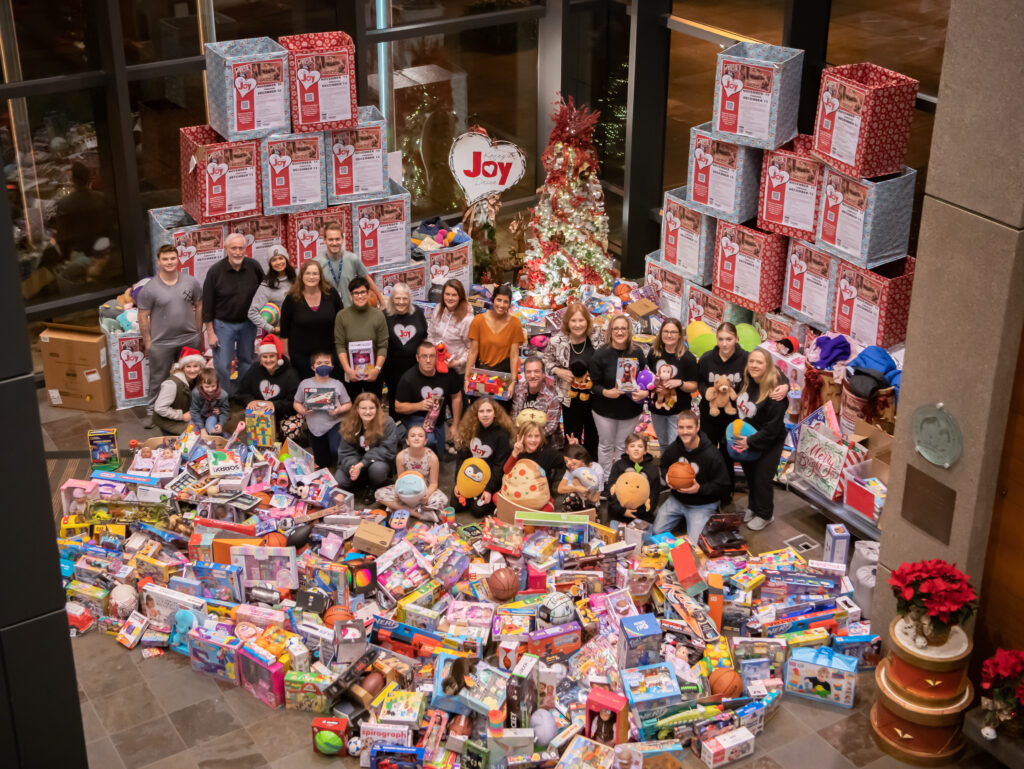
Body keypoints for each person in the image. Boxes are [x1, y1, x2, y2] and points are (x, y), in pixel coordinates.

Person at [697, 323, 788, 503]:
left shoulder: (746, 358)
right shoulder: (707, 359)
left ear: (736, 339)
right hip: (710, 415)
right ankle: (706, 490)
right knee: (706, 452)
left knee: (727, 454)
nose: (724, 344)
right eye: (721, 339)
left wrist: (785, 384)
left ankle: (726, 493)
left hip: (734, 417)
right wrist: (707, 393)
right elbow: (699, 381)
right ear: (716, 339)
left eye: (729, 339)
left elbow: (772, 369)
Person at [137, 244, 203, 427]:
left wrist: (198, 331)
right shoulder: (150, 289)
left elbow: (200, 305)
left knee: (193, 376)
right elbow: (142, 316)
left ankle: (195, 410)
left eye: (173, 258)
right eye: (165, 259)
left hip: (189, 339)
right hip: (162, 342)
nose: (169, 262)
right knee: (158, 377)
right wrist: (148, 341)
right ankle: (152, 412)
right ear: (158, 261)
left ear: (178, 259)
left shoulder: (191, 282)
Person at [732, 348, 789, 531]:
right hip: (748, 436)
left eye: (759, 362)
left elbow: (772, 429)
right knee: (750, 474)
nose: (754, 365)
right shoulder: (747, 380)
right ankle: (753, 507)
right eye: (752, 361)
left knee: (762, 477)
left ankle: (765, 514)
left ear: (767, 366)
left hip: (769, 441)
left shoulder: (775, 393)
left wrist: (750, 441)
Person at [203, 232, 265, 393]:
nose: (238, 252)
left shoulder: (254, 266)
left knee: (246, 361)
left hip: (248, 324)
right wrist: (210, 332)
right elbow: (208, 304)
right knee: (222, 364)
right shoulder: (215, 272)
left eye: (241, 248)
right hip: (223, 325)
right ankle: (224, 396)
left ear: (246, 249)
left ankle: (242, 393)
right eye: (234, 248)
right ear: (226, 249)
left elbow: (265, 290)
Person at [653, 411, 730, 538]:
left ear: (697, 427)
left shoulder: (712, 454)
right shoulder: (673, 449)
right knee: (656, 533)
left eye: (689, 427)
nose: (685, 432)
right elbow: (664, 465)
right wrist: (667, 476)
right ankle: (683, 520)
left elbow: (723, 486)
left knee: (695, 545)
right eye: (681, 427)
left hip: (702, 505)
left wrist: (699, 489)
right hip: (677, 500)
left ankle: (687, 522)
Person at [589, 314, 649, 476]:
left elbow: (644, 379)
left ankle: (621, 478)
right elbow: (592, 384)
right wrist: (606, 392)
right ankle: (606, 479)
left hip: (630, 410)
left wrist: (644, 392)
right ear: (609, 332)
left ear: (629, 331)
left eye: (623, 328)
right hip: (604, 410)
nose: (619, 332)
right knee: (606, 445)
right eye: (616, 328)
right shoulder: (600, 354)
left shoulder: (638, 352)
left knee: (623, 446)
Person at [543, 302, 603, 458]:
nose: (577, 325)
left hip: (594, 396)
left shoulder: (596, 334)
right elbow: (546, 360)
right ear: (567, 322)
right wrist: (558, 371)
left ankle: (592, 468)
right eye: (573, 321)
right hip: (570, 397)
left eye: (581, 320)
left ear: (588, 321)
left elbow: (605, 357)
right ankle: (572, 468)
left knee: (594, 435)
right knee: (572, 435)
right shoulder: (557, 341)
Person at [394, 341, 463, 455]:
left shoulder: (447, 374)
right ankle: (406, 437)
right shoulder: (408, 378)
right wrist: (419, 405)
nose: (428, 360)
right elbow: (398, 407)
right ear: (417, 358)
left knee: (439, 455)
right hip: (415, 418)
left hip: (437, 419)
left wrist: (455, 425)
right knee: (429, 441)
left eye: (432, 356)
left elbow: (456, 397)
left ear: (437, 357)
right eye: (424, 356)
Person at [280, 260, 343, 380]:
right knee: (308, 392)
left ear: (320, 276)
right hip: (301, 358)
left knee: (331, 390)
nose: (311, 277)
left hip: (329, 355)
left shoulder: (331, 294)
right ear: (301, 276)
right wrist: (285, 354)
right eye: (308, 273)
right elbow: (284, 329)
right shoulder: (292, 298)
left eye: (315, 273)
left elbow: (341, 320)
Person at [453, 397, 515, 517]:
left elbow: (499, 465)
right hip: (468, 476)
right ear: (476, 413)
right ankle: (472, 496)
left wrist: (489, 490)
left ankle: (487, 499)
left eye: (489, 411)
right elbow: (461, 458)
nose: (485, 415)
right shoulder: (469, 429)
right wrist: (458, 482)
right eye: (481, 411)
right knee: (456, 506)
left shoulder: (502, 435)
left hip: (489, 480)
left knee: (477, 511)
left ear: (495, 413)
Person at [465, 284, 525, 408]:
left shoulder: (515, 324)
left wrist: (513, 381)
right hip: (483, 375)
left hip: (504, 375)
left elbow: (514, 356)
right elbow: (473, 352)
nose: (501, 305)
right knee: (480, 411)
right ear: (493, 300)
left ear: (509, 304)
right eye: (499, 300)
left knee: (502, 415)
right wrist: (467, 378)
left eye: (505, 302)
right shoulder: (478, 321)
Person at [646, 319, 699, 454]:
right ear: (661, 333)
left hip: (678, 411)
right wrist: (653, 384)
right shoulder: (653, 354)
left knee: (675, 445)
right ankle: (665, 473)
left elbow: (693, 386)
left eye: (673, 332)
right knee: (663, 444)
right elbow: (647, 376)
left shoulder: (687, 358)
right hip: (657, 409)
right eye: (666, 331)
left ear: (680, 335)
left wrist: (679, 383)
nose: (669, 335)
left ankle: (675, 473)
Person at [293, 350, 352, 469]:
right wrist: (302, 411)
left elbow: (348, 404)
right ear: (313, 367)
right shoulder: (305, 384)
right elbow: (296, 403)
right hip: (316, 428)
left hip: (335, 423)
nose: (323, 365)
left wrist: (338, 410)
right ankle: (330, 468)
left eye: (326, 362)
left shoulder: (337, 384)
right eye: (319, 363)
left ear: (332, 366)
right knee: (322, 463)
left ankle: (342, 468)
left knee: (336, 450)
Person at [335, 392, 400, 497]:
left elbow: (387, 450)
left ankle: (374, 487)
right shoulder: (349, 423)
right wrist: (353, 467)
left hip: (377, 462)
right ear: (357, 409)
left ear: (377, 409)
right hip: (356, 462)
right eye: (363, 408)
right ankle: (360, 483)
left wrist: (362, 464)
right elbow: (345, 451)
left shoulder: (388, 422)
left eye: (371, 408)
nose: (368, 412)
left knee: (377, 471)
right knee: (339, 480)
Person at [334, 276, 388, 399]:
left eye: (363, 292)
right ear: (351, 295)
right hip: (351, 373)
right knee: (352, 408)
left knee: (373, 406)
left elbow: (383, 345)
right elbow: (340, 345)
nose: (360, 296)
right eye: (356, 293)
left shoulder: (378, 316)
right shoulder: (342, 316)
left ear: (369, 293)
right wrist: (347, 369)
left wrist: (377, 369)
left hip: (374, 371)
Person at [374, 425, 448, 511]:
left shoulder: (432, 458)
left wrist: (426, 495)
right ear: (407, 441)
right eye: (413, 436)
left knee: (443, 500)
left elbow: (433, 484)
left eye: (420, 436)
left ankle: (401, 508)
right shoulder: (401, 456)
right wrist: (400, 494)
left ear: (425, 441)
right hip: (406, 489)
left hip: (424, 490)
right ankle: (416, 512)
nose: (416, 438)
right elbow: (401, 479)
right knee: (378, 494)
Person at [234, 334, 300, 428]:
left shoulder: (290, 374)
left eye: (272, 356)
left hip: (283, 415)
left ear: (278, 357)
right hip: (259, 415)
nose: (268, 360)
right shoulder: (254, 369)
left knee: (291, 426)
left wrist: (274, 405)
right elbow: (240, 393)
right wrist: (250, 401)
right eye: (264, 357)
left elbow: (295, 402)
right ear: (260, 358)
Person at [382, 282, 428, 415]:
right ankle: (397, 428)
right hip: (393, 368)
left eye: (404, 298)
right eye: (397, 298)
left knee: (416, 397)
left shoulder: (417, 312)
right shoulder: (384, 316)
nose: (401, 302)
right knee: (395, 400)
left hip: (415, 366)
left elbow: (425, 337)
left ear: (409, 299)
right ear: (391, 299)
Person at [315, 220, 381, 307]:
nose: (334, 243)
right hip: (329, 314)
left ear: (342, 239)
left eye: (337, 239)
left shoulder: (353, 259)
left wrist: (382, 302)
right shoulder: (317, 263)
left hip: (351, 312)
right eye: (330, 239)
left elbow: (368, 281)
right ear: (324, 240)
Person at [503, 422, 566, 510]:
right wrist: (515, 453)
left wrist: (573, 448)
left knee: (546, 510)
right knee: (497, 497)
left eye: (537, 436)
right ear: (522, 438)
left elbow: (566, 461)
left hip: (539, 497)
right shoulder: (518, 452)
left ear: (541, 437)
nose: (533, 440)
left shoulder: (548, 453)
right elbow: (506, 471)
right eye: (529, 436)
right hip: (519, 495)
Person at [606, 433, 662, 526]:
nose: (636, 449)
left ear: (645, 451)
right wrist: (623, 511)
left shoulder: (652, 469)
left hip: (642, 516)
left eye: (640, 446)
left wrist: (637, 513)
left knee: (643, 539)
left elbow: (654, 495)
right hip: (618, 514)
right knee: (617, 538)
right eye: (632, 446)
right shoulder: (618, 466)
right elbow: (611, 490)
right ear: (627, 450)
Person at [426, 279, 473, 379]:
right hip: (438, 365)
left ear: (460, 297)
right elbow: (431, 334)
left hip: (458, 371)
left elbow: (471, 349)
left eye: (454, 295)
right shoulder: (438, 309)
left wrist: (457, 362)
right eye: (447, 294)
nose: (450, 298)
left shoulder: (467, 319)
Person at [152, 347, 205, 435]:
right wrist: (182, 416)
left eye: (195, 366)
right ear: (182, 368)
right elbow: (160, 408)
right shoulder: (172, 384)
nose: (192, 370)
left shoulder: (194, 380)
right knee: (197, 434)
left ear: (200, 367)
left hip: (187, 415)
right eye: (188, 366)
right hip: (170, 421)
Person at [512, 356, 563, 445]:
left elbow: (551, 427)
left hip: (546, 443)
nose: (532, 376)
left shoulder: (552, 395)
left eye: (536, 371)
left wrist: (531, 439)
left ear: (543, 374)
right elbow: (514, 418)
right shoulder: (518, 390)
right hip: (522, 440)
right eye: (528, 372)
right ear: (524, 374)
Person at [247, 247, 295, 334]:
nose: (278, 262)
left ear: (286, 259)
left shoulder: (298, 277)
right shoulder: (266, 285)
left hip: (301, 331)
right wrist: (271, 329)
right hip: (282, 335)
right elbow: (252, 312)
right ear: (270, 264)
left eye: (281, 258)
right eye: (274, 260)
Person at [557, 444, 604, 509]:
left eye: (570, 459)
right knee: (571, 496)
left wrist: (585, 493)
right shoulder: (570, 470)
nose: (568, 463)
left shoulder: (597, 470)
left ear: (581, 457)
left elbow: (595, 498)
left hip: (591, 505)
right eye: (566, 461)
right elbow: (560, 489)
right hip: (574, 503)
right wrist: (576, 488)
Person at [190, 368, 229, 438]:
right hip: (198, 415)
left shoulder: (223, 395)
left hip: (212, 415)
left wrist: (220, 424)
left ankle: (224, 436)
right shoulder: (196, 393)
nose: (210, 389)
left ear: (217, 383)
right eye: (207, 387)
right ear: (201, 384)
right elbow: (194, 411)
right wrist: (202, 429)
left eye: (213, 386)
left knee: (211, 429)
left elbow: (225, 411)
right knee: (193, 431)